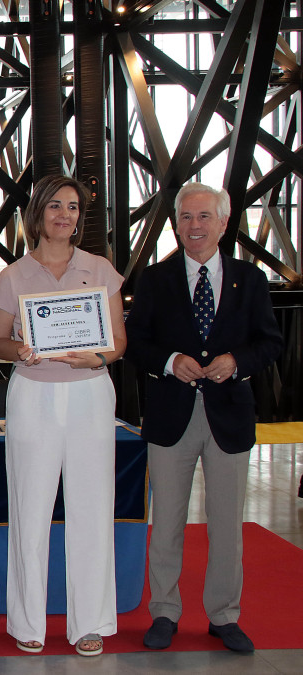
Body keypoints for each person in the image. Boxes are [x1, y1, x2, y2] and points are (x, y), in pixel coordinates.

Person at [126, 182, 283, 653]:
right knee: (167, 523)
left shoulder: (250, 279)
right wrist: (170, 360)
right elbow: (136, 342)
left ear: (223, 222)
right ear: (175, 222)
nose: (194, 227)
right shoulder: (154, 279)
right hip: (171, 416)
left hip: (229, 417)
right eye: (186, 217)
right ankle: (165, 613)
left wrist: (237, 362)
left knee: (226, 525)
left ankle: (224, 615)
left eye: (204, 217)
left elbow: (269, 342)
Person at [0, 174, 127, 656]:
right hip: (33, 398)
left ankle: (88, 622)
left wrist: (101, 357)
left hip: (90, 396)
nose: (63, 215)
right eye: (54, 206)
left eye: (72, 207)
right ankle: (28, 622)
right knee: (30, 509)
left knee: (91, 509)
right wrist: (19, 350)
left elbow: (119, 341)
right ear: (38, 214)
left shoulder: (100, 268)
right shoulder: (13, 274)